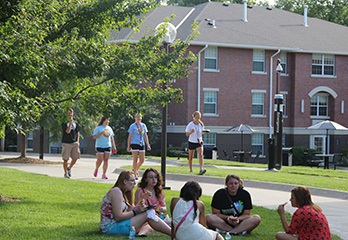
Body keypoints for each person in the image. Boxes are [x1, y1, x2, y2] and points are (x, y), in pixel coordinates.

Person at [100, 170, 171, 237]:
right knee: (149, 213)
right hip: (110, 227)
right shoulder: (116, 192)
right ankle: (173, 234)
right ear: (124, 181)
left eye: (135, 180)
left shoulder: (125, 193)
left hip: (117, 225)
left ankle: (173, 233)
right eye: (132, 180)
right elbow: (118, 217)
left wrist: (142, 199)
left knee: (150, 213)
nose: (135, 183)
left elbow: (132, 209)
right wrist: (136, 211)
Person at [134, 168, 170, 235]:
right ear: (145, 179)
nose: (154, 179)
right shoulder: (140, 191)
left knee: (172, 221)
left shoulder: (159, 191)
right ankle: (141, 234)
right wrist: (143, 198)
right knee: (150, 226)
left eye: (155, 177)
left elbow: (164, 206)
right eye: (151, 177)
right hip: (144, 218)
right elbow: (136, 208)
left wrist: (163, 208)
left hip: (156, 216)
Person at [127, 113, 151, 179]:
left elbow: (145, 135)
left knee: (142, 160)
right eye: (137, 117)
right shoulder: (133, 126)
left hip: (141, 143)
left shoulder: (143, 125)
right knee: (135, 159)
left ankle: (135, 170)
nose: (138, 118)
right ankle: (135, 174)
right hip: (134, 143)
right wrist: (128, 146)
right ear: (135, 118)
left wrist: (148, 144)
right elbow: (129, 137)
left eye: (140, 117)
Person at [185, 111, 207, 175]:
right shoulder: (190, 125)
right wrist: (191, 132)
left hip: (199, 141)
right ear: (193, 117)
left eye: (199, 117)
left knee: (201, 154)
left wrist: (204, 132)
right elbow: (187, 134)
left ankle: (201, 169)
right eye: (196, 117)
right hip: (191, 141)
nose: (197, 119)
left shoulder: (200, 125)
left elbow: (201, 133)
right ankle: (191, 169)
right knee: (191, 157)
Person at [61, 108, 80, 178]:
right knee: (65, 159)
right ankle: (65, 173)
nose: (70, 115)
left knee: (76, 157)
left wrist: (78, 141)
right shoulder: (64, 123)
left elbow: (78, 133)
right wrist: (70, 124)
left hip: (74, 143)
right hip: (66, 143)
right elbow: (67, 131)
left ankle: (69, 168)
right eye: (68, 114)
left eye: (71, 114)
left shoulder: (76, 123)